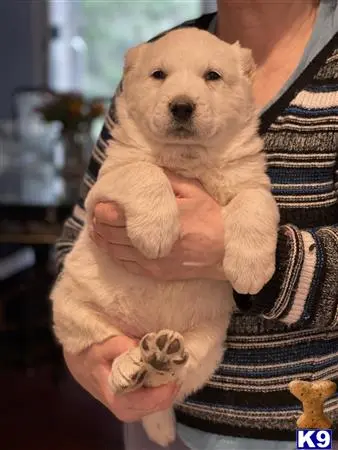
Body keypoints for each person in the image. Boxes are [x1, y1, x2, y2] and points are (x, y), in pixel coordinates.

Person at [54, 1, 338, 449]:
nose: (182, 96)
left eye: (212, 77)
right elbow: (75, 239)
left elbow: (249, 223)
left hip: (308, 427)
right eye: (162, 78)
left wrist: (249, 256)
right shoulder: (151, 61)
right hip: (163, 426)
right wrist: (93, 359)